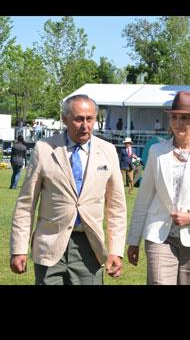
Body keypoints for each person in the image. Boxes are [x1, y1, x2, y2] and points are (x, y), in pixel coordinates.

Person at [9, 94, 127, 285]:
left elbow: (117, 208)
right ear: (65, 119)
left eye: (90, 119)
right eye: (79, 119)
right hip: (49, 245)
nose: (85, 125)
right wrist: (19, 248)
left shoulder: (108, 151)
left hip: (90, 248)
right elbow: (26, 204)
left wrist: (116, 250)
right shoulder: (44, 149)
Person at [127, 90, 190, 285]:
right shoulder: (157, 152)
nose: (178, 123)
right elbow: (143, 199)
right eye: (174, 117)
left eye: (184, 118)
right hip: (158, 236)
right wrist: (134, 240)